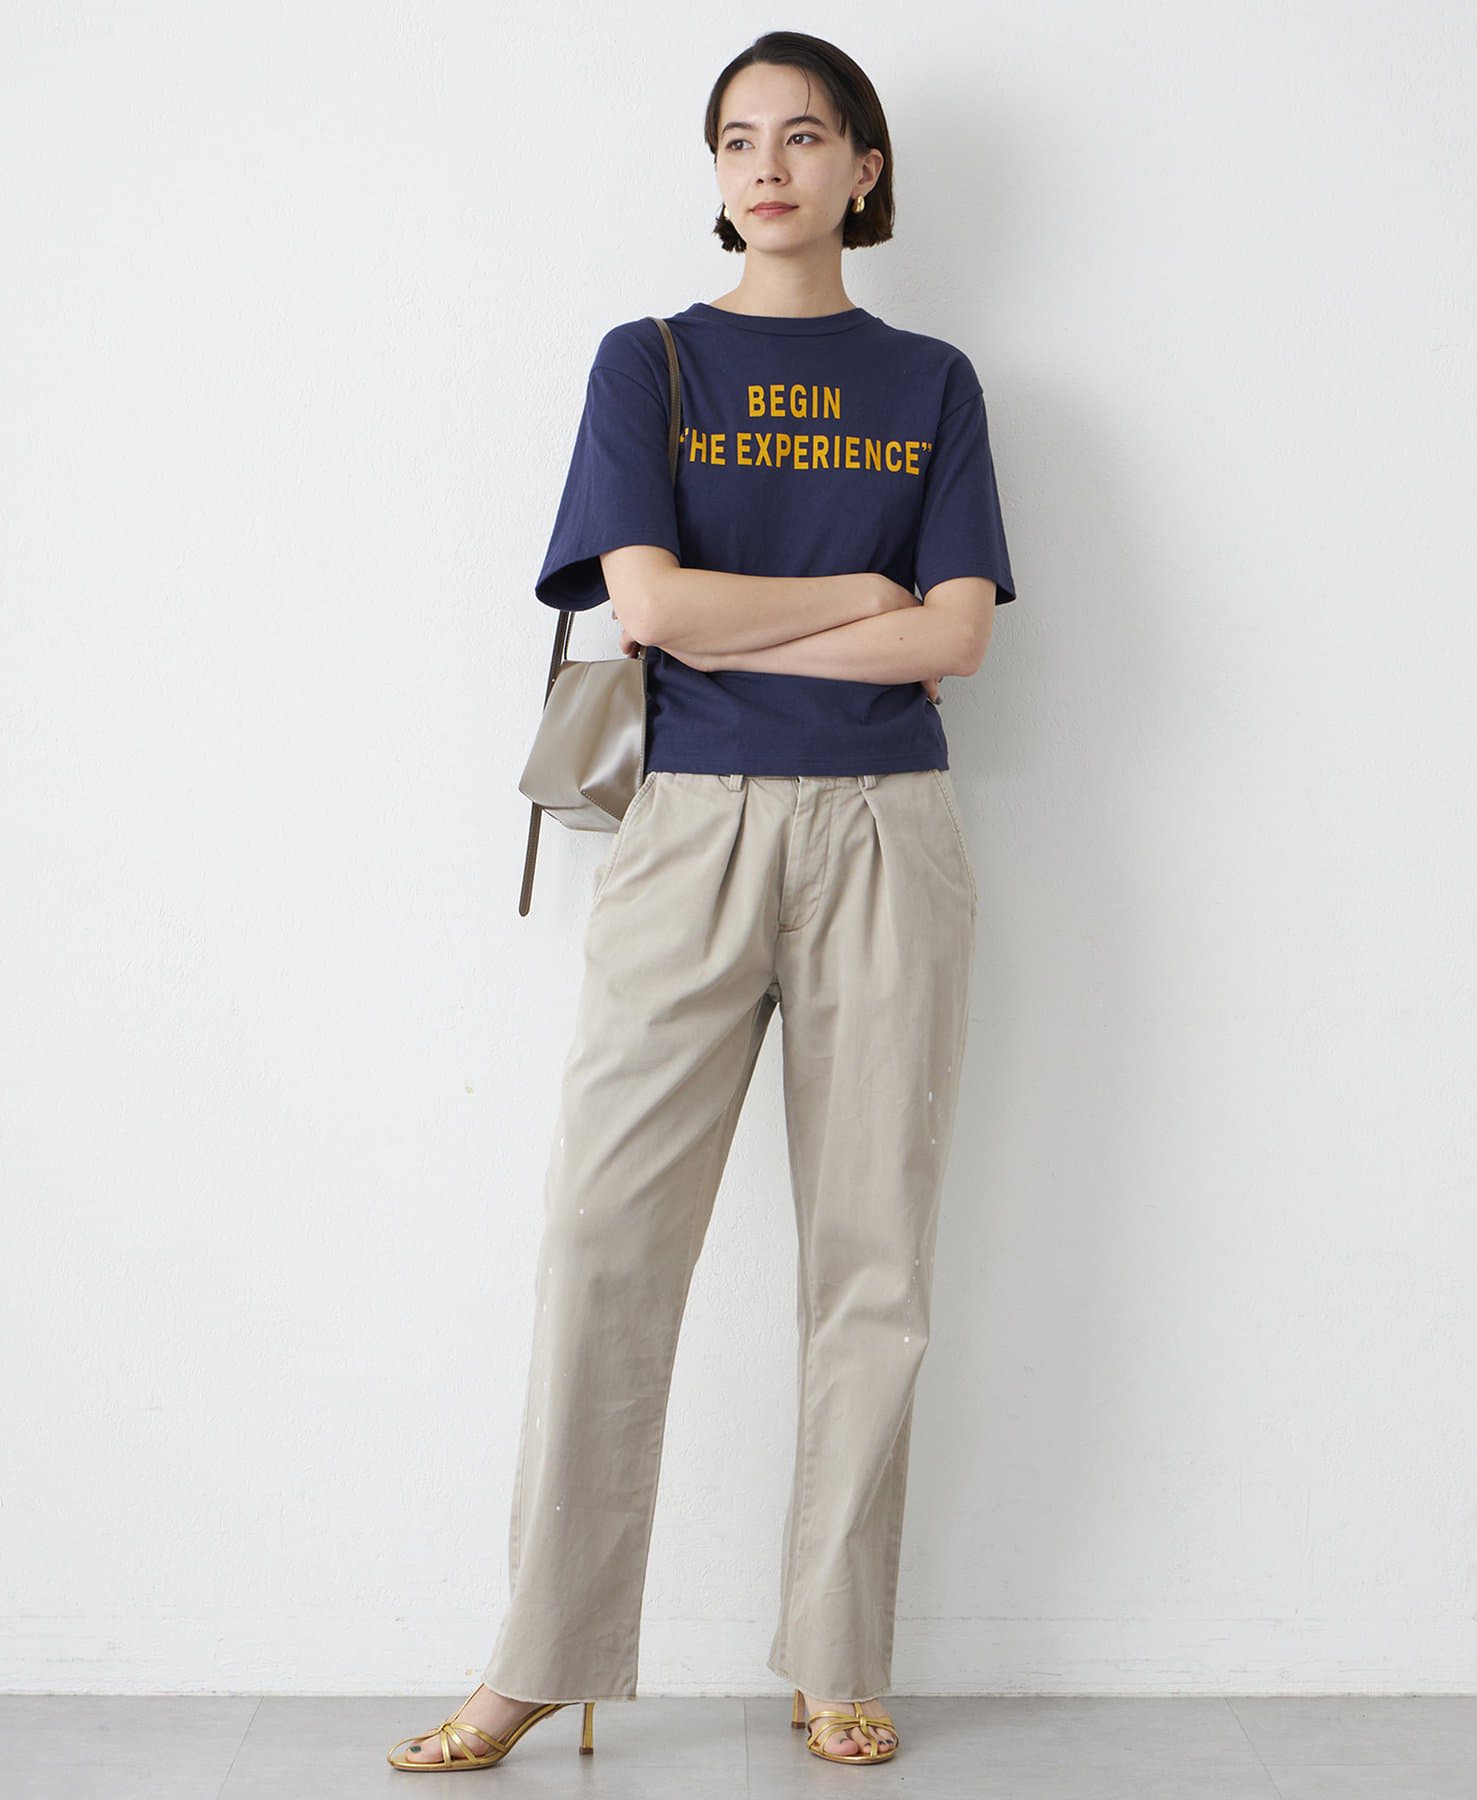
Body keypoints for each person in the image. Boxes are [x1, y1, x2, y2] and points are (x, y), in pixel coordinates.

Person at [388, 28, 1016, 1774]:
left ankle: (836, 1653)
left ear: (864, 171)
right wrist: (860, 599)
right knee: (605, 1239)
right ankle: (542, 1654)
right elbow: (650, 610)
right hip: (690, 828)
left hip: (888, 832)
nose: (769, 167)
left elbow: (961, 636)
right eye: (740, 138)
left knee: (871, 1256)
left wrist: (798, 617)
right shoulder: (649, 359)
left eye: (805, 137)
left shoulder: (934, 380)